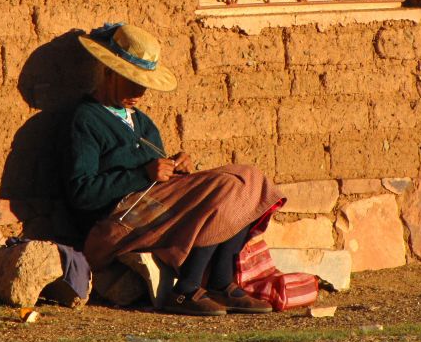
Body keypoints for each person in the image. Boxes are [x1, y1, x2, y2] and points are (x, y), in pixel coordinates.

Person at [64, 22, 285, 316]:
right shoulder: (86, 120)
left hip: (155, 203)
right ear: (109, 73)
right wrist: (142, 174)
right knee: (223, 188)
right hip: (118, 220)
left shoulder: (142, 122)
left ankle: (221, 282)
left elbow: (160, 177)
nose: (139, 92)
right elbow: (82, 192)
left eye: (143, 84)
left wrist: (177, 169)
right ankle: (185, 290)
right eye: (132, 82)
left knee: (249, 178)